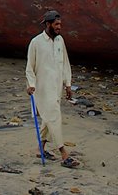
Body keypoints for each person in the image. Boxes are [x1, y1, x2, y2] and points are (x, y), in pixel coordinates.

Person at [26, 10, 79, 168]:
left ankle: (40, 148)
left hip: (56, 88)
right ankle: (64, 154)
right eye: (56, 24)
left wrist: (68, 84)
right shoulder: (36, 42)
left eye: (60, 24)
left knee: (48, 119)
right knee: (54, 118)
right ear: (48, 24)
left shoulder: (60, 41)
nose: (59, 27)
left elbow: (65, 63)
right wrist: (31, 85)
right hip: (42, 89)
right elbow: (29, 68)